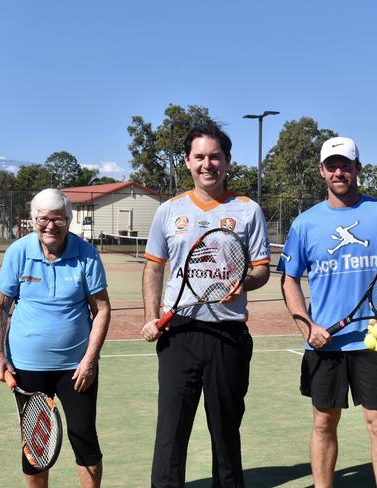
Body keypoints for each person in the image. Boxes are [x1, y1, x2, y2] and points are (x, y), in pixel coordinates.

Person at [141, 123, 270, 487]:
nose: (207, 164)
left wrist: (241, 282)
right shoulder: (169, 211)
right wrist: (152, 317)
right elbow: (154, 267)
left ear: (227, 161)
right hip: (178, 333)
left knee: (226, 434)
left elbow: (261, 271)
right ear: (187, 161)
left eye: (215, 156)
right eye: (199, 156)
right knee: (170, 434)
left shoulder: (247, 211)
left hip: (227, 335)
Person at [278, 136, 377, 487]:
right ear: (322, 171)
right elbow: (289, 280)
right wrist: (307, 326)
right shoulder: (305, 223)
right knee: (323, 423)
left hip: (371, 340)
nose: (339, 172)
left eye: (345, 165)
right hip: (325, 344)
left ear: (358, 169)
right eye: (332, 166)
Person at [0, 188, 111, 488]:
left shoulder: (86, 254)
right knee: (35, 446)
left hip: (76, 369)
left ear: (68, 220)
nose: (50, 226)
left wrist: (89, 361)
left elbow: (102, 310)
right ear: (34, 220)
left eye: (57, 219)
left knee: (84, 438)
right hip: (27, 368)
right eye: (43, 218)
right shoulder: (19, 252)